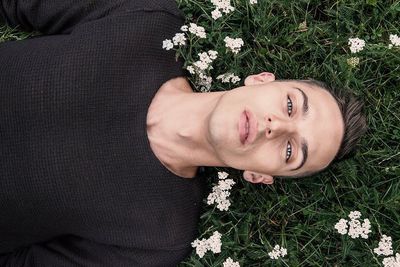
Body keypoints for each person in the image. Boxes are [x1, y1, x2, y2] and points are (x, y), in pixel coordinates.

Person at [0, 0, 366, 266]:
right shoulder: (146, 20)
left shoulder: (154, 240)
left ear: (259, 176)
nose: (277, 126)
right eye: (290, 105)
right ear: (261, 79)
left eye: (290, 151)